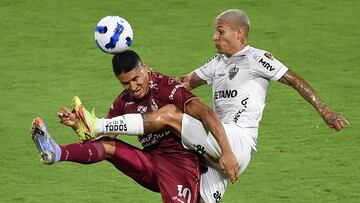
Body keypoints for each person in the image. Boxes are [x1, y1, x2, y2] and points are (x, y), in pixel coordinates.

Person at [72, 9, 350, 203]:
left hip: (235, 141)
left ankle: (99, 125)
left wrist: (324, 111)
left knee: (170, 116)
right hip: (214, 146)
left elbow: (293, 79)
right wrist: (145, 76)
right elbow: (182, 84)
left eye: (220, 32)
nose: (214, 37)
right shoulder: (216, 63)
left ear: (239, 33)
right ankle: (95, 130)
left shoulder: (256, 58)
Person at [31, 50, 238, 203]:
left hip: (179, 164)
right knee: (108, 146)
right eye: (125, 83)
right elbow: (102, 140)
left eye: (135, 79)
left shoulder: (166, 87)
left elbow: (205, 112)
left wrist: (226, 151)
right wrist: (79, 126)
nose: (132, 87)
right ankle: (56, 152)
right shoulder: (123, 102)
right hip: (149, 163)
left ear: (145, 68)